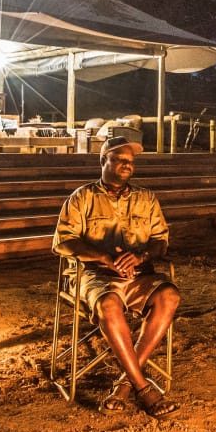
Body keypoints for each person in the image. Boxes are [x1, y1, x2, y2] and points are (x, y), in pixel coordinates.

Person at [52, 136, 181, 417]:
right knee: (109, 304)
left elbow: (161, 241)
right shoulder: (82, 198)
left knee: (169, 296)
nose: (127, 166)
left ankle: (125, 384)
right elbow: (63, 242)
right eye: (120, 159)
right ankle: (144, 389)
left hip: (138, 276)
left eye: (130, 162)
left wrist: (142, 256)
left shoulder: (146, 198)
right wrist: (104, 258)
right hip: (95, 277)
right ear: (103, 161)